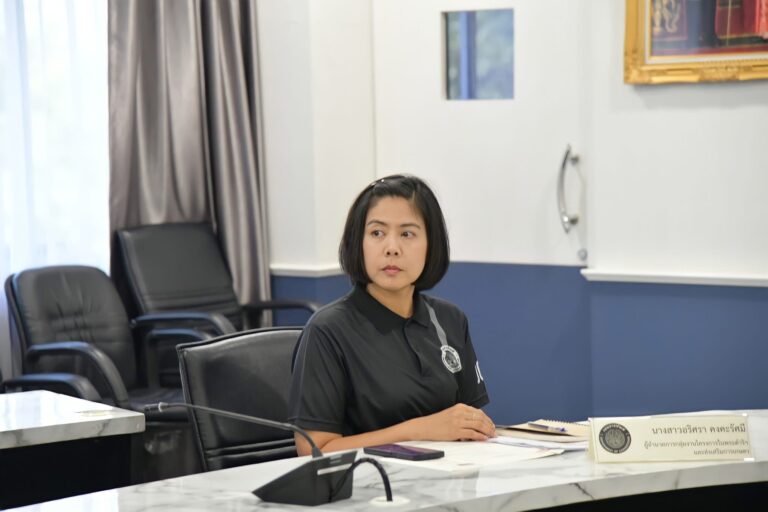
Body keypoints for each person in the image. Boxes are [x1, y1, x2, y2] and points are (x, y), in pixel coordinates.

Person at [288, 174, 494, 456]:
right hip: (368, 481)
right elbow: (313, 451)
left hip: (449, 477)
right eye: (377, 233)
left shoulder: (451, 319)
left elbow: (470, 426)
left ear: (431, 244)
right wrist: (420, 430)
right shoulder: (327, 331)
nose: (392, 248)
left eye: (407, 234)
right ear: (358, 242)